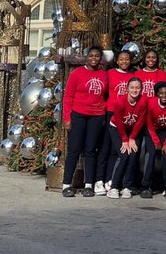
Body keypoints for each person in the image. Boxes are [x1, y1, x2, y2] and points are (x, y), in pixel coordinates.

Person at [62, 45, 109, 197]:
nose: (94, 59)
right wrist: (67, 118)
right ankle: (66, 184)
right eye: (91, 56)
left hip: (96, 116)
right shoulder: (77, 73)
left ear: (100, 58)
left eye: (97, 56)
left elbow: (106, 95)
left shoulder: (103, 74)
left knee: (90, 151)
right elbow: (68, 97)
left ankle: (88, 185)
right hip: (78, 115)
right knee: (74, 151)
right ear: (86, 57)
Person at [94, 48, 133, 195]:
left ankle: (110, 179)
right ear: (117, 61)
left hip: (123, 116)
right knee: (105, 148)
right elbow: (103, 92)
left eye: (127, 59)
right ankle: (99, 180)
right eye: (121, 59)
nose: (124, 61)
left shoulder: (132, 76)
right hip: (110, 113)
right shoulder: (110, 74)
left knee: (116, 151)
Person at [108, 76, 148, 198]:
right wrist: (125, 139)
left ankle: (127, 186)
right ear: (127, 89)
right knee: (124, 154)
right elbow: (119, 122)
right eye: (132, 87)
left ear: (141, 89)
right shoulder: (120, 101)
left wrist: (132, 138)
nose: (134, 90)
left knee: (133, 154)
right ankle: (114, 186)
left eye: (137, 88)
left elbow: (140, 121)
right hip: (117, 128)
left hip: (133, 130)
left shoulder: (143, 101)